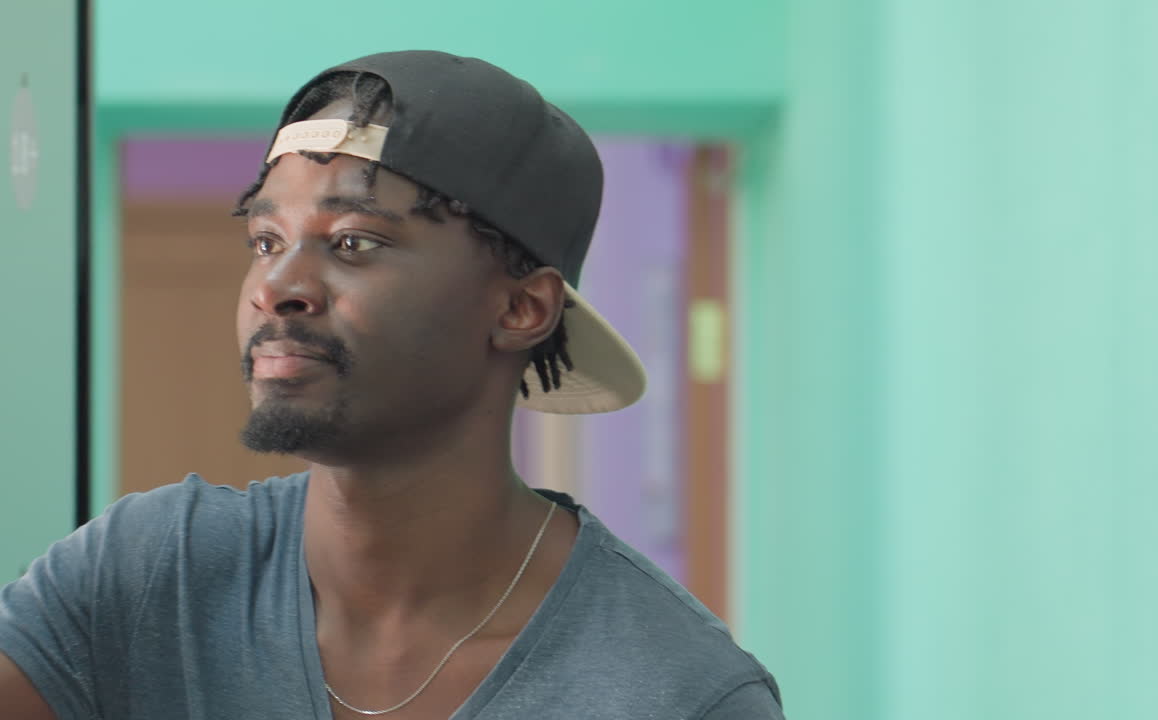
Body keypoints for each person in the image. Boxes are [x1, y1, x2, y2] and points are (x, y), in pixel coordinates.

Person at [0, 50, 783, 719]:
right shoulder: (148, 577)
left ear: (520, 306)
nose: (276, 286)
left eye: (354, 240)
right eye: (265, 238)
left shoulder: (675, 691)